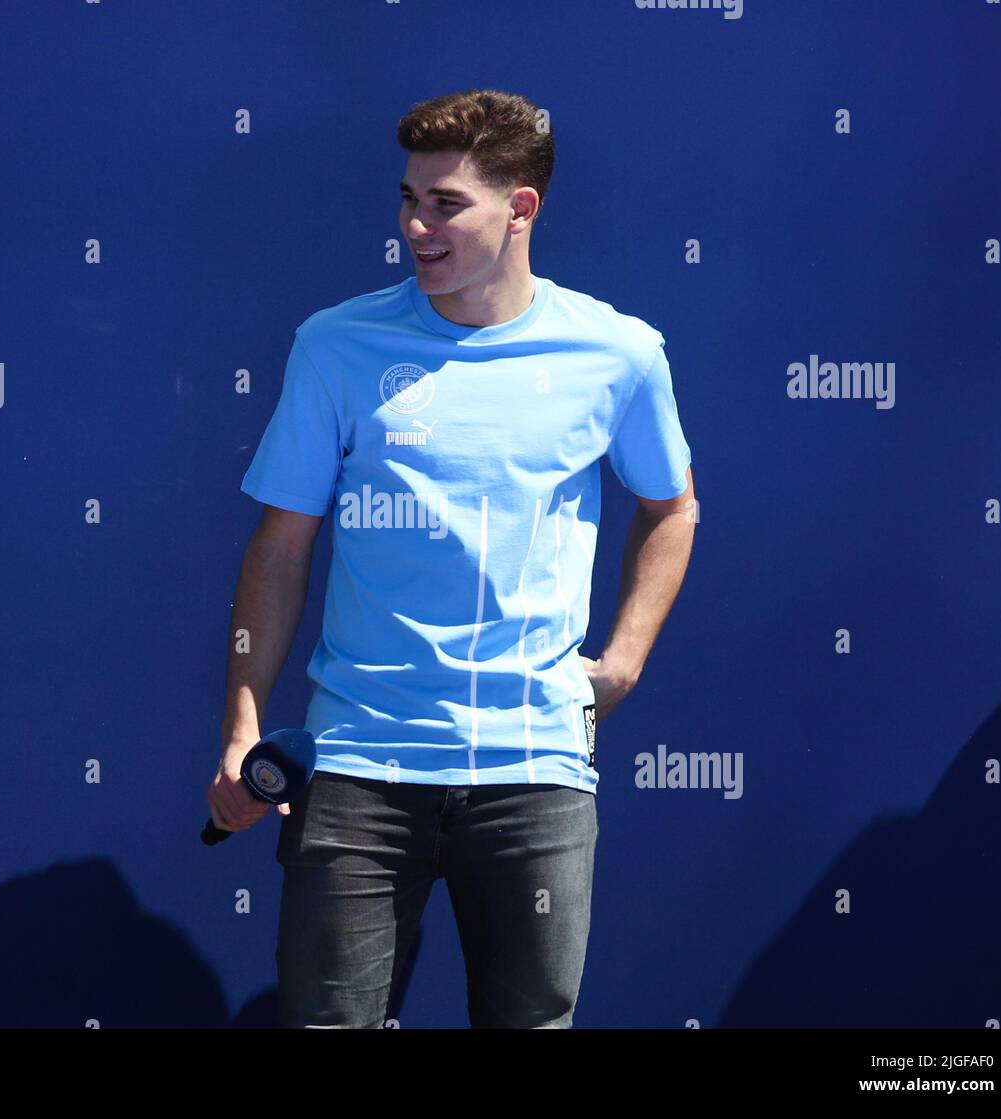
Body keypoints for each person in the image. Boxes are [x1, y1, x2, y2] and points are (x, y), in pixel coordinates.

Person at [208, 88, 696, 1028]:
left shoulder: (618, 353)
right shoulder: (336, 345)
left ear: (522, 210)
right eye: (408, 199)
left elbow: (672, 509)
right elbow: (279, 547)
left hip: (536, 770)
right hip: (355, 765)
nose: (415, 225)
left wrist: (624, 659)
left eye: (446, 203)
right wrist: (241, 721)